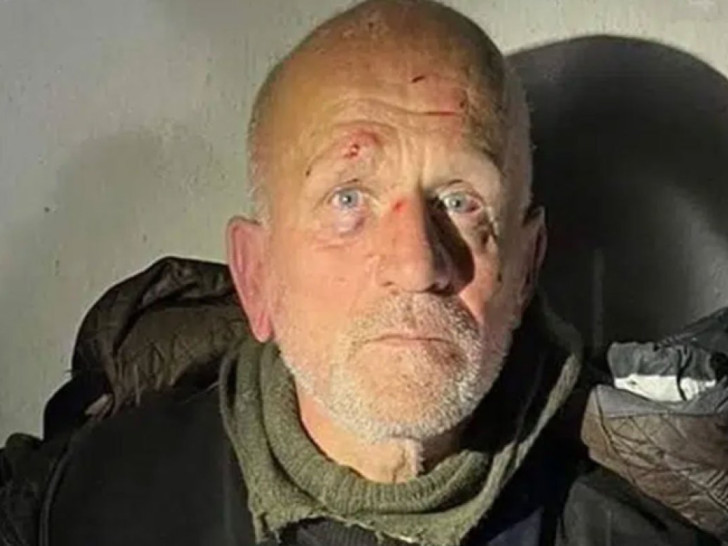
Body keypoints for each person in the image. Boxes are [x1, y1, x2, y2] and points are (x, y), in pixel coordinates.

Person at [1, 1, 727, 545]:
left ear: (526, 265)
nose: (417, 264)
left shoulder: (629, 532)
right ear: (257, 276)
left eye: (460, 201)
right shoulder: (80, 505)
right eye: (348, 199)